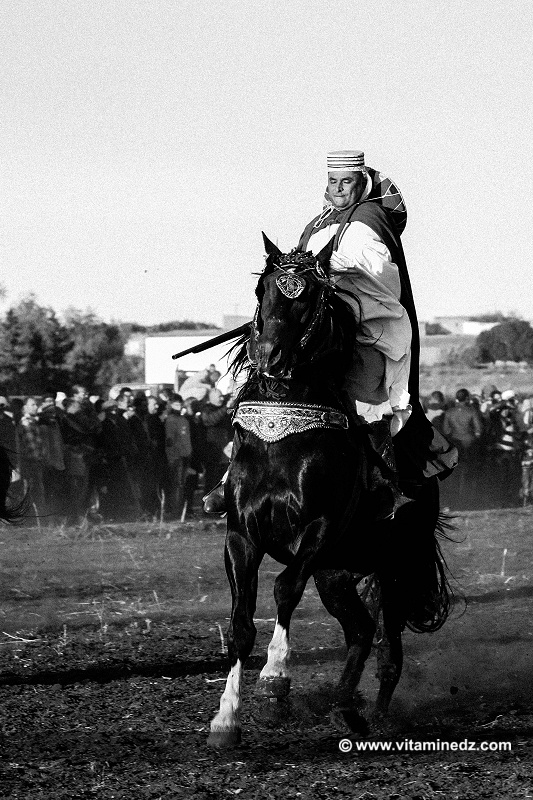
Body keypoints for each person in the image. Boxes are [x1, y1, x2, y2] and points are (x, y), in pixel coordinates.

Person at [204, 149, 457, 515]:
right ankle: (233, 478)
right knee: (259, 385)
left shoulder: (373, 218)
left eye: (347, 182)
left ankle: (385, 482)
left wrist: (318, 268)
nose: (339, 189)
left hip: (367, 325)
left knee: (370, 400)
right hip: (317, 324)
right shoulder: (318, 222)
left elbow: (375, 270)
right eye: (333, 182)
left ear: (362, 183)